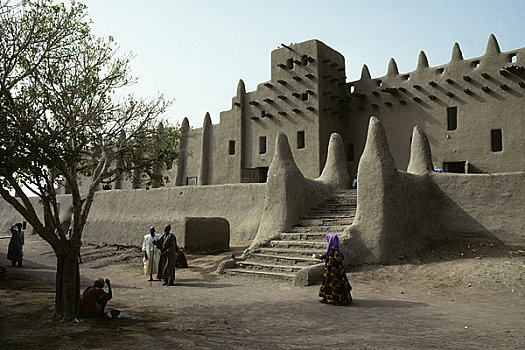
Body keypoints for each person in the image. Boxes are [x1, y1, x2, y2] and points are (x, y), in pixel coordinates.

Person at [316, 233, 352, 305]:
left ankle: (339, 300)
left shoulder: (332, 251)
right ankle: (326, 298)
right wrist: (321, 257)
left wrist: (329, 268)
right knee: (330, 284)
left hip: (333, 271)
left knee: (333, 285)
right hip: (338, 271)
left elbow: (332, 261)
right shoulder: (336, 250)